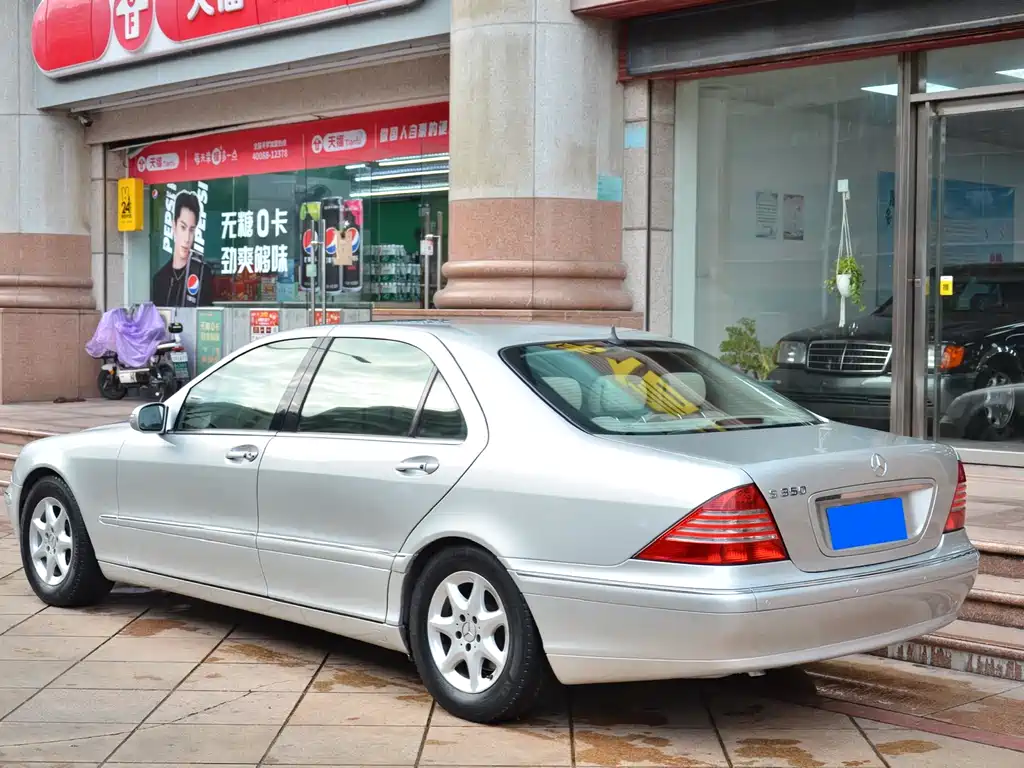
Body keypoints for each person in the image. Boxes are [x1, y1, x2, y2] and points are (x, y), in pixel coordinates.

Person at [152, 190, 214, 307]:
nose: (187, 238)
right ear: (174, 226)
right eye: (183, 227)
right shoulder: (160, 279)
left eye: (191, 230)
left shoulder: (202, 274)